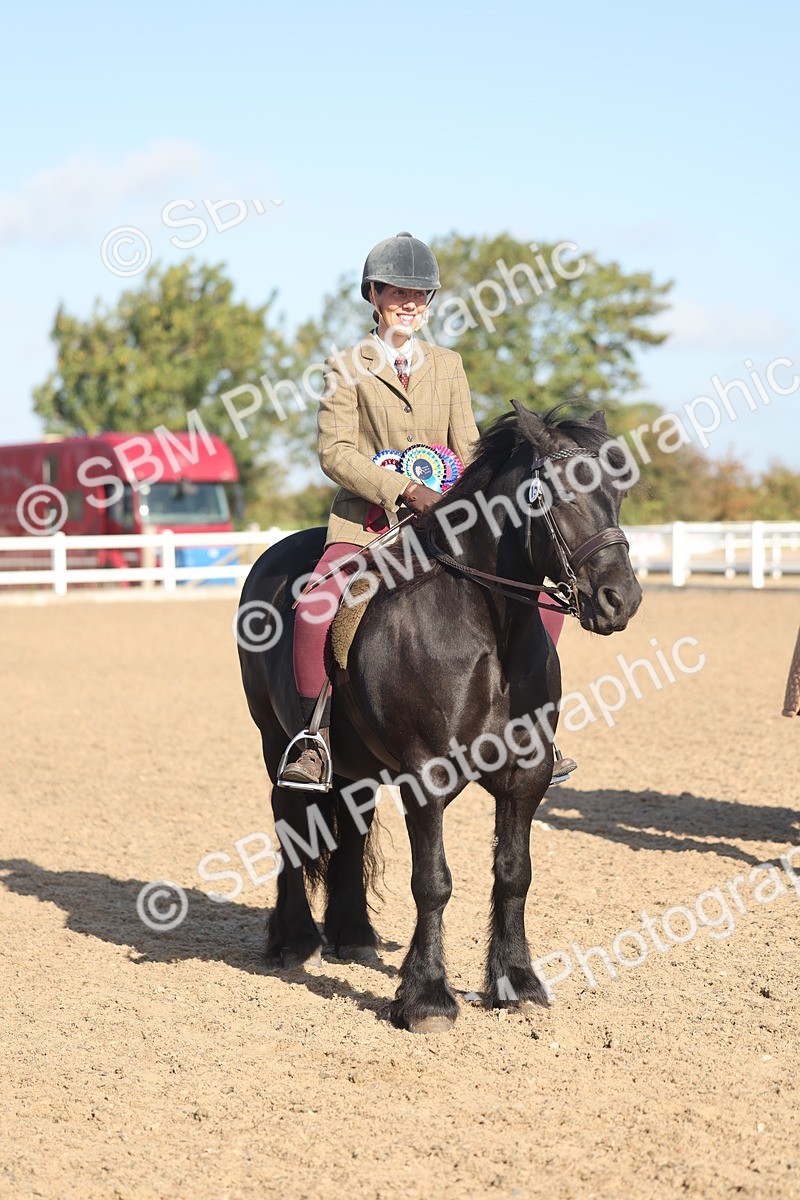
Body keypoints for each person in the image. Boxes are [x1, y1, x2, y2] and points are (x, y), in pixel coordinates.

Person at [280, 232, 576, 788]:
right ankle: (313, 735)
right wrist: (403, 489)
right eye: (399, 292)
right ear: (373, 294)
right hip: (369, 521)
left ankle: (533, 725)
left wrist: (471, 498)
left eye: (421, 294)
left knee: (542, 602)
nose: (411, 303)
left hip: (448, 519)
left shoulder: (449, 364)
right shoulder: (345, 365)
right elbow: (336, 452)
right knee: (317, 603)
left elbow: (468, 446)